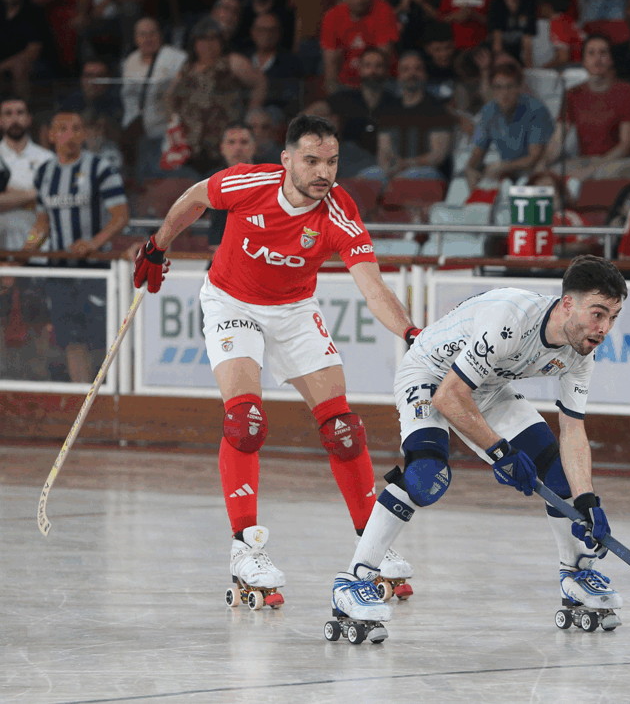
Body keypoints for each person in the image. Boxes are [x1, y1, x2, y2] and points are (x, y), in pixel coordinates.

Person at [131, 114, 420, 609]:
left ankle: (373, 547)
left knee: (344, 429)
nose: (323, 172)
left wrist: (413, 334)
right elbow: (195, 197)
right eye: (311, 161)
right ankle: (245, 549)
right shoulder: (247, 183)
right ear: (286, 160)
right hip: (231, 302)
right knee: (244, 422)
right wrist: (158, 246)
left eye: (332, 162)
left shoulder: (339, 211)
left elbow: (373, 286)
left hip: (293, 311)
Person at [329, 255, 629, 638]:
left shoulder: (581, 350)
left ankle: (575, 574)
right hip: (430, 375)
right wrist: (501, 453)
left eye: (613, 317)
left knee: (561, 476)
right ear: (568, 303)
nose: (604, 328)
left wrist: (586, 500)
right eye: (598, 314)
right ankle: (354, 580)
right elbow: (448, 397)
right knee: (426, 476)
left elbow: (572, 430)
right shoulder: (511, 319)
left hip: (486, 387)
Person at [18, 109, 129, 381]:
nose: (70, 135)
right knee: (71, 338)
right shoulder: (44, 173)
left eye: (77, 129)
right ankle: (83, 394)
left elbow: (120, 215)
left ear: (84, 134)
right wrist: (23, 254)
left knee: (102, 337)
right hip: (60, 270)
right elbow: (42, 224)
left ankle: (109, 395)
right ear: (51, 135)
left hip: (96, 268)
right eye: (63, 129)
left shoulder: (101, 168)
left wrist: (94, 243)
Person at [166, 18, 267, 174]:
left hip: (226, 143)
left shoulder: (232, 62)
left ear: (221, 41)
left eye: (213, 38)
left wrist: (252, 112)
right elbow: (170, 97)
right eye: (202, 39)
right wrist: (175, 124)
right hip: (191, 146)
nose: (208, 44)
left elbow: (260, 82)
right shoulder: (187, 69)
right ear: (194, 42)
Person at [541, 35, 630, 181]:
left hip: (620, 162)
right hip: (586, 161)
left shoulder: (629, 93)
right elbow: (558, 138)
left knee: (603, 174)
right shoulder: (572, 94)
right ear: (583, 61)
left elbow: (626, 145)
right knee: (550, 175)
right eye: (591, 53)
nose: (597, 59)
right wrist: (542, 164)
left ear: (611, 59)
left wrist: (593, 169)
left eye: (603, 53)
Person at [361, 50, 454, 183]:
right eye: (406, 69)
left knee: (403, 180)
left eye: (417, 69)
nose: (412, 74)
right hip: (395, 170)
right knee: (364, 179)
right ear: (398, 76)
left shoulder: (438, 109)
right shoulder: (389, 110)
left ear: (425, 74)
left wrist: (407, 164)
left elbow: (438, 155)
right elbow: (384, 151)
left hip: (428, 172)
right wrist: (388, 169)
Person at [306, 45, 395, 174]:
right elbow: (309, 114)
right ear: (360, 69)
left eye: (378, 66)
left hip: (384, 160)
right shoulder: (345, 98)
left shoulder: (394, 101)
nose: (373, 71)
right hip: (349, 159)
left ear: (387, 70)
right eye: (368, 66)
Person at [464, 61, 553, 190]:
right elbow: (478, 152)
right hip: (509, 171)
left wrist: (501, 166)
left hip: (537, 172)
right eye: (498, 87)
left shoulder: (536, 110)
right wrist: (470, 168)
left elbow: (534, 158)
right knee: (477, 178)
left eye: (509, 86)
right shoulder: (488, 111)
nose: (504, 93)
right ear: (492, 89)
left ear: (519, 87)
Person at [120, 16, 188, 181]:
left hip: (166, 133)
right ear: (135, 38)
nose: (147, 39)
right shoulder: (130, 61)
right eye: (142, 34)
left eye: (152, 33)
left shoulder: (176, 58)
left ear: (160, 35)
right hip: (137, 134)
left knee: (166, 179)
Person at [321, 0, 400, 93]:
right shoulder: (332, 16)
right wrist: (333, 95)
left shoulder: (383, 10)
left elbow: (383, 58)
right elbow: (330, 63)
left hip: (378, 81)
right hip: (345, 83)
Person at [0, 97, 54, 251]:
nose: (15, 118)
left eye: (20, 112)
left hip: (38, 248)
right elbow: (43, 199)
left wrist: (6, 196)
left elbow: (52, 203)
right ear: (0, 121)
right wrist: (34, 195)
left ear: (29, 119)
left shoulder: (47, 159)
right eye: (8, 113)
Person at [207, 122, 257, 253]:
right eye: (231, 142)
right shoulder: (210, 180)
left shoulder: (272, 177)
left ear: (254, 147)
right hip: (219, 255)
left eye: (244, 142)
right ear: (222, 148)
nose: (238, 148)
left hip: (261, 254)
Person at [0, 0, 47, 100]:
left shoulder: (34, 13)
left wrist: (2, 66)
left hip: (33, 65)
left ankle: (22, 108)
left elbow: (33, 52)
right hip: (3, 64)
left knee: (19, 68)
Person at [288, 0, 340, 73]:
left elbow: (339, 8)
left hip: (327, 40)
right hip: (304, 42)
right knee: (305, 79)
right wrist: (296, 45)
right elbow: (298, 16)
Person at [249, 13, 304, 113]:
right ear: (253, 32)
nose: (267, 34)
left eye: (272, 30)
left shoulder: (291, 63)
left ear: (279, 33)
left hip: (274, 113)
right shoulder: (243, 59)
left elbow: (291, 101)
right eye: (262, 30)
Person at [487, 0, 536, 67]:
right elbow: (497, 42)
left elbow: (528, 43)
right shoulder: (496, 5)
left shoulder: (530, 5)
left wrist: (528, 69)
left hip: (522, 55)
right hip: (502, 57)